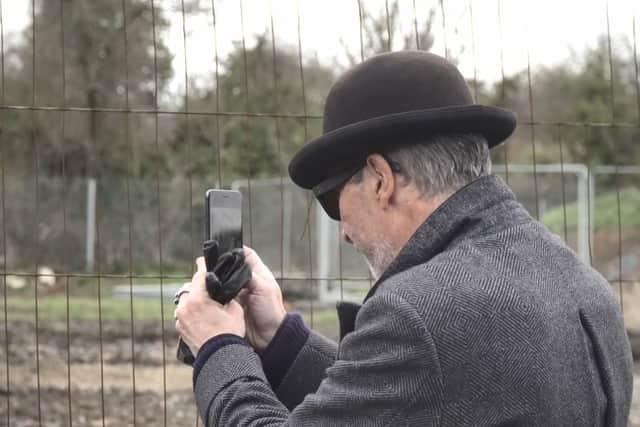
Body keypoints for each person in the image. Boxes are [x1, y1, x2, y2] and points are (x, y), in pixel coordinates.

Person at [174, 51, 633, 426]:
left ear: (379, 179)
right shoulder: (580, 281)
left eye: (332, 200)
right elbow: (400, 399)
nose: (344, 231)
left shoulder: (418, 312)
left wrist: (219, 347)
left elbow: (419, 361)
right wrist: (280, 341)